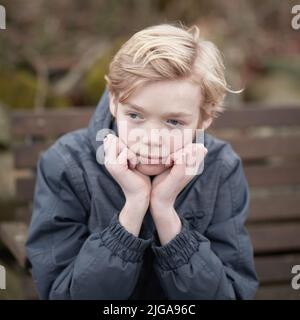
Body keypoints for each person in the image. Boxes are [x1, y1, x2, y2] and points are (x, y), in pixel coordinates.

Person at [25, 23, 259, 300]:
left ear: (204, 118)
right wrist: (133, 207)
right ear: (114, 100)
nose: (151, 139)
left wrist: (165, 212)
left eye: (174, 122)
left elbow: (233, 293)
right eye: (135, 116)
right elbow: (60, 294)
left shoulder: (222, 168)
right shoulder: (65, 163)